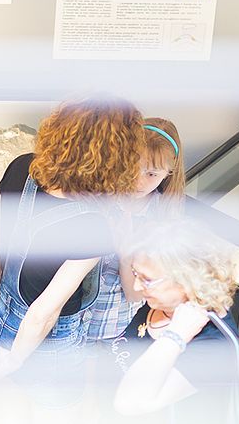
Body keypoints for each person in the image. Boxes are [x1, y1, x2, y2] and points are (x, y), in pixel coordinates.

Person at [0, 96, 146, 405]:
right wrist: (13, 362)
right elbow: (44, 312)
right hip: (46, 342)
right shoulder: (95, 222)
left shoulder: (22, 167)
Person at [111, 219, 238, 417]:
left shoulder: (215, 345)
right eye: (136, 273)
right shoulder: (161, 303)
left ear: (186, 280)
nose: (137, 286)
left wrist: (175, 336)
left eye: (147, 280)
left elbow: (129, 404)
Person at [86, 118, 185, 345]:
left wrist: (125, 254)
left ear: (168, 172)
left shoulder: (163, 220)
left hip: (110, 326)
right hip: (67, 319)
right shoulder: (100, 195)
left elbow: (135, 295)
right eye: (132, 167)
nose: (137, 181)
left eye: (151, 174)